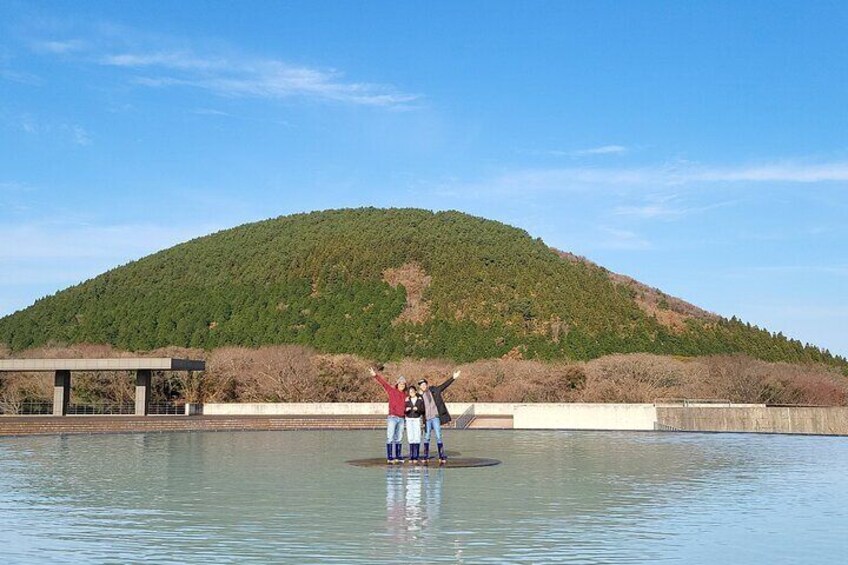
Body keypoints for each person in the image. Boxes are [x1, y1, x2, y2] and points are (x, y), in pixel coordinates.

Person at [418, 370, 460, 463]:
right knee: (427, 436)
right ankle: (425, 455)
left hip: (435, 417)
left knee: (438, 435)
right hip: (427, 419)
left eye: (424, 384)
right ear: (420, 387)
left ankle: (441, 455)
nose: (423, 386)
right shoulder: (419, 396)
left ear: (427, 385)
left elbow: (444, 385)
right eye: (421, 385)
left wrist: (453, 377)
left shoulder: (435, 390)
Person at [370, 367, 407, 463]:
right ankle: (390, 457)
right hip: (392, 417)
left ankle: (398, 456)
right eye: (400, 383)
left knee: (399, 438)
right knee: (390, 437)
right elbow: (383, 384)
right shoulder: (392, 391)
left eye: (403, 384)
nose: (402, 385)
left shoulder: (405, 395)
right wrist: (375, 375)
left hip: (402, 418)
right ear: (397, 384)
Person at [404, 384, 425, 463]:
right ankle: (411, 456)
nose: (411, 393)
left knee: (417, 437)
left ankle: (416, 456)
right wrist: (406, 409)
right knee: (410, 437)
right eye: (410, 392)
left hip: (417, 419)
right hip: (409, 419)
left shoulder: (419, 400)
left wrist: (418, 409)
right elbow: (404, 409)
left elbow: (422, 410)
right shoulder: (406, 400)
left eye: (413, 391)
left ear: (415, 392)